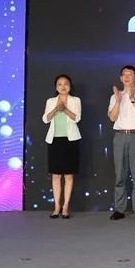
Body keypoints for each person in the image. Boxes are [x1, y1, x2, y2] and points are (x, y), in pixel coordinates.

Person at [107, 65, 135, 221]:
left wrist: (132, 99)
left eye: (130, 74)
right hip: (120, 136)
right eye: (124, 74)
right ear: (120, 78)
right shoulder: (115, 96)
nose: (126, 77)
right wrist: (118, 101)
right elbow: (112, 117)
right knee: (120, 174)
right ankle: (119, 209)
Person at [42, 74, 81, 220]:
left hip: (70, 140)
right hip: (54, 141)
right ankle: (57, 206)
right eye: (60, 84)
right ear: (56, 87)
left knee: (69, 175)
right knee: (56, 175)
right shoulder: (50, 101)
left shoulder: (75, 100)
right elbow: (45, 119)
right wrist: (55, 109)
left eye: (66, 84)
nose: (63, 86)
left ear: (70, 86)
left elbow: (77, 118)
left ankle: (65, 208)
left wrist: (64, 109)